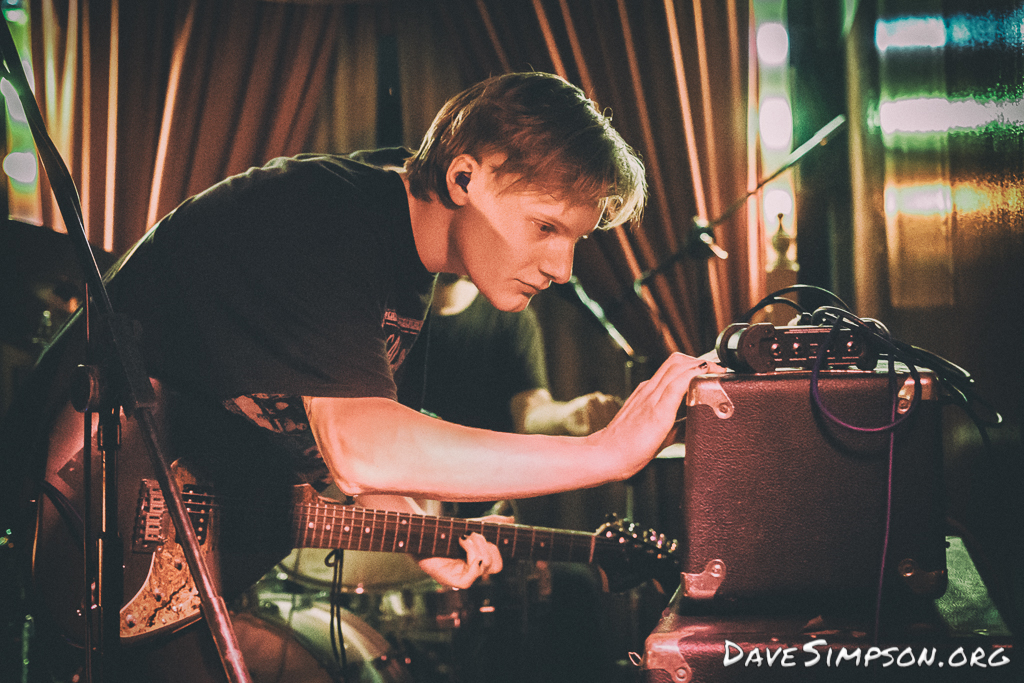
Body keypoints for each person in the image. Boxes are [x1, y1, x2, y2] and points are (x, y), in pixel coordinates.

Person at [5, 72, 721, 679]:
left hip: (175, 560)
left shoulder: (404, 267)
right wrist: (606, 451)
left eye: (576, 239)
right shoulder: (328, 215)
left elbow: (324, 446)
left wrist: (417, 534)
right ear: (465, 174)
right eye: (546, 227)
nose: (564, 268)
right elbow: (360, 444)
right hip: (67, 524)